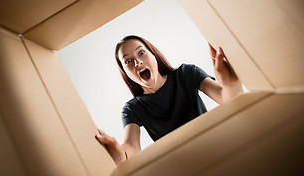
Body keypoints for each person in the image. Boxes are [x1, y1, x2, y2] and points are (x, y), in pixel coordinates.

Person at [95, 35, 243, 165]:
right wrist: (118, 153)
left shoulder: (186, 74)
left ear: (153, 55)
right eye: (128, 61)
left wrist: (229, 84)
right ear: (125, 72)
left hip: (219, 151)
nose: (137, 62)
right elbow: (131, 149)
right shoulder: (132, 109)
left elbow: (228, 99)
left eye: (141, 53)